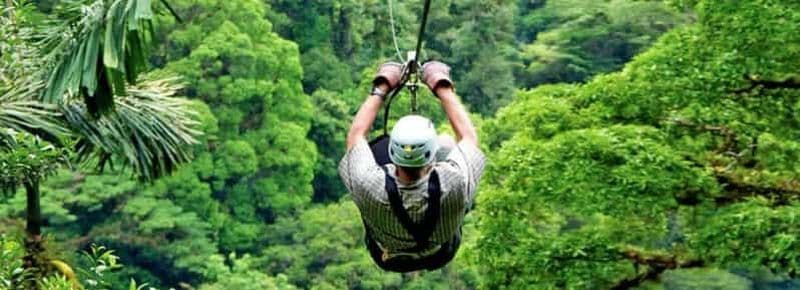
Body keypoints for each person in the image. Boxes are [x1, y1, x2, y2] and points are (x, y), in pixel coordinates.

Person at [338, 61, 486, 272]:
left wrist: (382, 87)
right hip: (440, 252)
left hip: (388, 256)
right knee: (447, 142)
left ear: (393, 154)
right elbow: (468, 138)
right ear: (431, 155)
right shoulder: (455, 182)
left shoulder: (368, 184)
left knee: (374, 148)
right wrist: (440, 85)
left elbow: (356, 137)